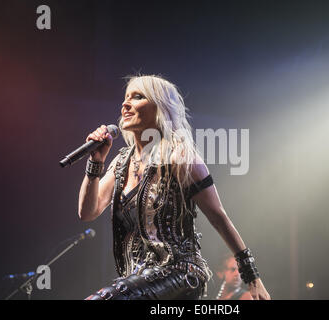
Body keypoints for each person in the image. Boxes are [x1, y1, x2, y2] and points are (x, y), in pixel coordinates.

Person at [78, 74, 270, 300]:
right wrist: (95, 163)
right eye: (125, 97)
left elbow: (219, 218)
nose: (125, 104)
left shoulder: (180, 157)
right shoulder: (120, 164)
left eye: (137, 97)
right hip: (136, 280)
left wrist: (252, 276)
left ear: (159, 107)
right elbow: (87, 212)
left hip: (180, 273)